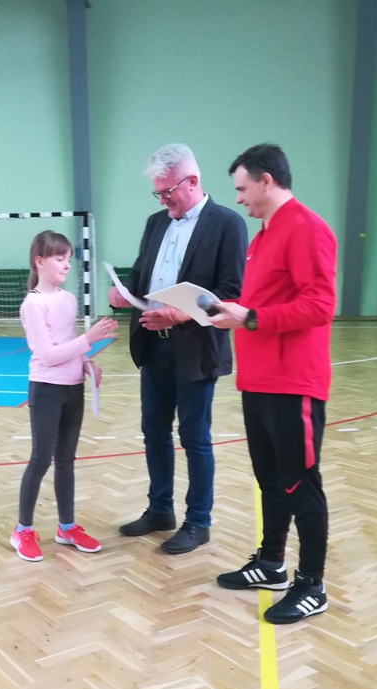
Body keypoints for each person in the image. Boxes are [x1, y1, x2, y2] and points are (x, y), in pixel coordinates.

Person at [209, 143, 337, 624]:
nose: (238, 198)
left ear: (267, 180)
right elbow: (257, 304)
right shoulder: (262, 237)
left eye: (242, 188)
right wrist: (228, 313)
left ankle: (312, 585)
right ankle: (271, 563)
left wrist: (251, 317)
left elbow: (321, 305)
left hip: (293, 382)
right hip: (258, 380)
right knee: (270, 481)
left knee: (300, 484)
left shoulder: (307, 228)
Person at [107, 144, 246, 554]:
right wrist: (123, 293)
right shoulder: (155, 223)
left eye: (168, 191)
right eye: (158, 192)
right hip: (152, 344)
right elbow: (140, 275)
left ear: (193, 181)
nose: (163, 200)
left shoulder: (228, 223)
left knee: (194, 436)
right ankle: (159, 511)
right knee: (153, 432)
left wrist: (178, 315)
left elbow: (231, 294)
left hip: (196, 349)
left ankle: (198, 522)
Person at [12, 230, 119, 562]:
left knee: (67, 460)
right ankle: (22, 530)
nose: (67, 265)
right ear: (39, 261)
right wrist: (90, 339)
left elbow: (68, 342)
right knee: (41, 459)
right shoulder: (33, 304)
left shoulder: (68, 299)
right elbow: (47, 355)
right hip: (46, 389)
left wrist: (87, 364)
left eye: (68, 259)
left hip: (74, 389)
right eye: (60, 259)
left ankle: (66, 527)